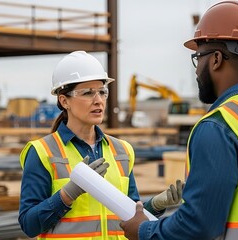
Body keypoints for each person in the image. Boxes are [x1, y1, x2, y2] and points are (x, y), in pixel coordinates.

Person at [120, 1, 238, 239]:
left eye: (198, 58)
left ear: (216, 59)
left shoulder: (219, 127)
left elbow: (198, 226)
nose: (198, 69)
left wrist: (143, 230)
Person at [18, 50, 183, 239]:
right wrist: (68, 193)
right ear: (64, 101)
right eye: (88, 93)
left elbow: (130, 216)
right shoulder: (42, 152)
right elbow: (29, 225)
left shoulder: (122, 150)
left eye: (102, 92)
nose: (98, 100)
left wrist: (155, 205)